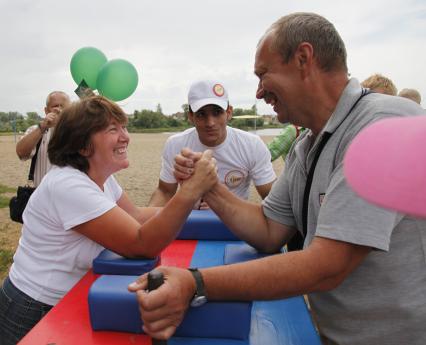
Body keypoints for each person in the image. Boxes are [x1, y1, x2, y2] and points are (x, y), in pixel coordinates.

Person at [129, 13, 426, 345]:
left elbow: (327, 265)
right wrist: (207, 184)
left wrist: (194, 283)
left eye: (262, 75)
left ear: (303, 59)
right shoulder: (310, 141)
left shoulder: (383, 128)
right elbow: (270, 231)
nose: (258, 93)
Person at [0, 96, 217, 344]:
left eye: (123, 127)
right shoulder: (69, 185)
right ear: (82, 146)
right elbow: (141, 244)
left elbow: (136, 215)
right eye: (113, 129)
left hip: (68, 295)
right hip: (34, 307)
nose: (125, 136)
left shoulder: (97, 176)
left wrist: (200, 208)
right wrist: (189, 193)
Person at [148, 79, 276, 209]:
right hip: (191, 221)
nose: (210, 123)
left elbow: (271, 198)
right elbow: (164, 192)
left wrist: (223, 207)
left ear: (229, 112)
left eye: (217, 113)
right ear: (191, 116)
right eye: (201, 114)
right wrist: (147, 220)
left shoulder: (252, 145)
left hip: (234, 225)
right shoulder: (175, 144)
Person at [16, 91, 71, 187]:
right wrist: (42, 127)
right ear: (46, 110)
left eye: (63, 107)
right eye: (55, 106)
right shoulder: (36, 129)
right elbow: (21, 153)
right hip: (41, 194)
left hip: (70, 196)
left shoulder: (79, 131)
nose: (59, 110)